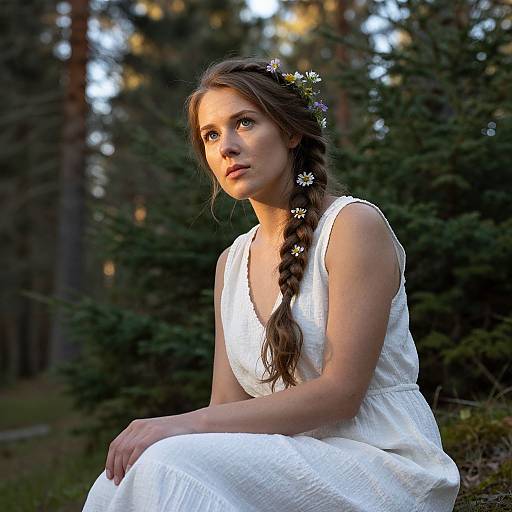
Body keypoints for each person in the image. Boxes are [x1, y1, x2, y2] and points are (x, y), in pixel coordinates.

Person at [82, 56, 460, 511]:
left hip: (380, 463)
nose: (227, 147)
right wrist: (187, 429)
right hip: (282, 460)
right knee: (114, 484)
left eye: (244, 122)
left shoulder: (352, 226)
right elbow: (225, 407)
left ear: (290, 131)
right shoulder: (231, 263)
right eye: (211, 134)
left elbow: (342, 394)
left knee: (167, 461)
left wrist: (180, 425)